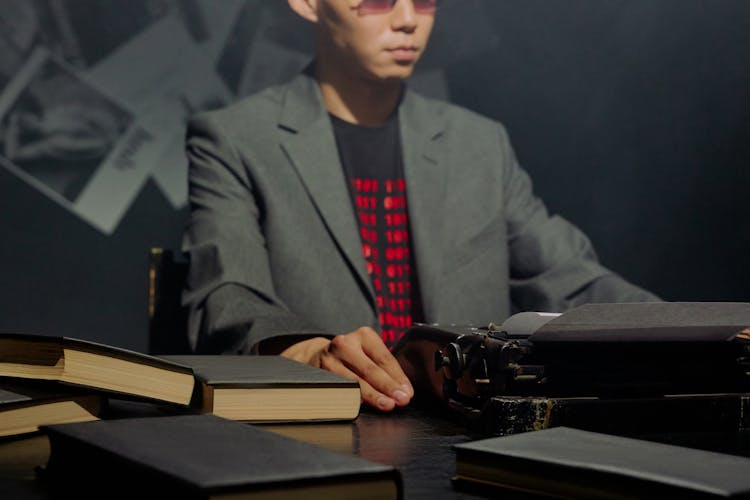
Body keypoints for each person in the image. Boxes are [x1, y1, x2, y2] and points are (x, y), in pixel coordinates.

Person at [182, 0, 659, 412]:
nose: (408, 19)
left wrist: (692, 330)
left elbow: (570, 279)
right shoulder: (236, 140)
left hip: (470, 432)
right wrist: (307, 351)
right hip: (325, 432)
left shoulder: (478, 144)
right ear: (307, 4)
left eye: (426, 0)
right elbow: (226, 294)